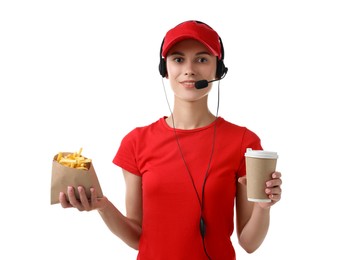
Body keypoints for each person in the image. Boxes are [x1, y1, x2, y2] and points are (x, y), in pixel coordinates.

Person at [59, 20, 283, 260]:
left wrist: (263, 206)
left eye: (202, 59)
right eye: (178, 59)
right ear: (164, 68)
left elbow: (249, 243)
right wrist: (102, 206)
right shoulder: (136, 142)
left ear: (218, 70)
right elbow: (137, 237)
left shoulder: (243, 142)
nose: (189, 70)